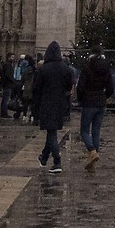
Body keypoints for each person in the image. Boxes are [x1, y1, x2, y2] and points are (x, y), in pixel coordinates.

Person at [31, 41, 75, 169]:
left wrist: (35, 109)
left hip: (47, 103)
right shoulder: (65, 69)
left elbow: (36, 88)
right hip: (60, 103)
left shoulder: (43, 69)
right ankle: (44, 157)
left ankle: (57, 162)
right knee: (52, 130)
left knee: (51, 133)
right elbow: (69, 86)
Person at [76, 45, 115, 168]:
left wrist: (81, 99)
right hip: (101, 102)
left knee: (84, 131)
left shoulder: (87, 67)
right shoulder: (106, 68)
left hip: (88, 102)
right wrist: (104, 96)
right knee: (96, 132)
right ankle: (93, 157)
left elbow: (80, 87)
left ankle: (92, 151)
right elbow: (110, 88)